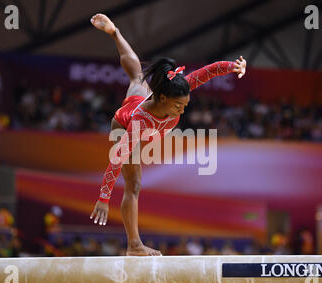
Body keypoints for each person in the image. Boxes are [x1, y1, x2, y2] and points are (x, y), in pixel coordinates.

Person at [89, 14, 247, 256]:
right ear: (162, 98)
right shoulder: (139, 122)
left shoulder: (176, 89)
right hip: (125, 123)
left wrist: (233, 66)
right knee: (134, 184)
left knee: (136, 76)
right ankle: (134, 245)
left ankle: (115, 32)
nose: (182, 110)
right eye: (178, 107)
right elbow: (116, 160)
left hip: (139, 100)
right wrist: (103, 197)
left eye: (185, 105)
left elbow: (210, 71)